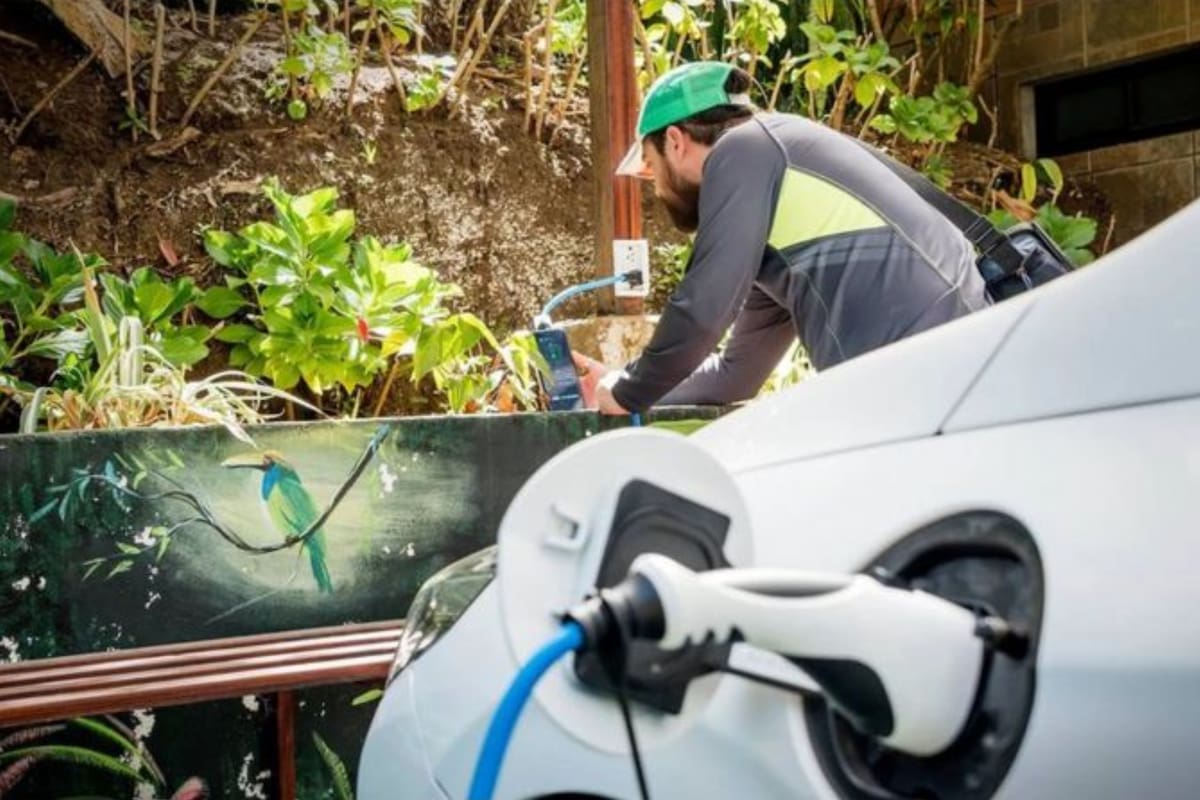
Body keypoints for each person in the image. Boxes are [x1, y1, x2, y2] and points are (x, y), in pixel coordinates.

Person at [575, 60, 988, 415]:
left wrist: (629, 392)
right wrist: (616, 382)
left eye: (650, 167)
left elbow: (703, 309)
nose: (657, 188)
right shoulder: (779, 209)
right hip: (953, 366)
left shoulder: (742, 150)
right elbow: (735, 377)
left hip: (929, 370)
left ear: (675, 142)